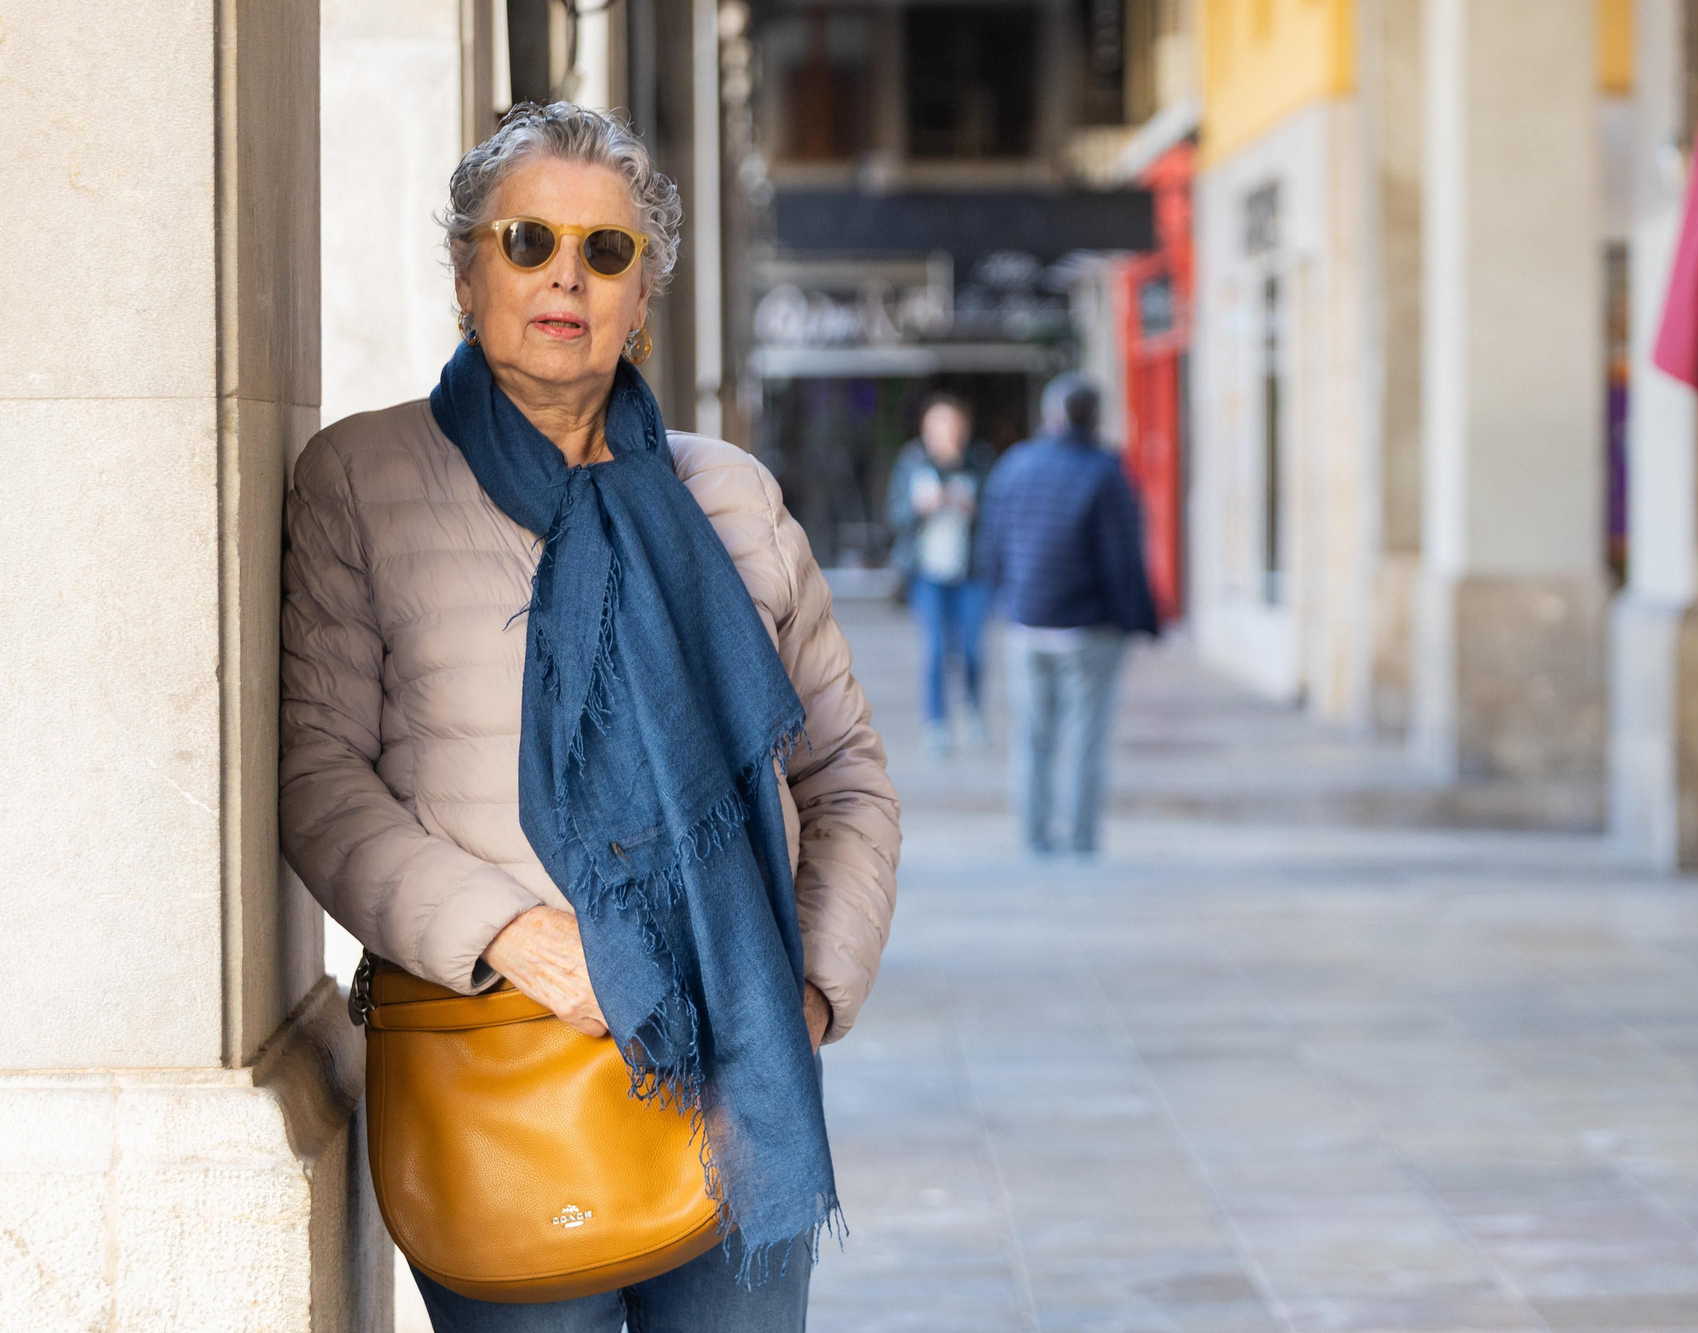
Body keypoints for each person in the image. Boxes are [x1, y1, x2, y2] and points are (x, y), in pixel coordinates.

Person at [279, 102, 899, 1332]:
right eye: (527, 241)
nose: (565, 272)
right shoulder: (363, 478)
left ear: (641, 301)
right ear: (467, 272)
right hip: (499, 1071)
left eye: (605, 251)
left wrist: (812, 992)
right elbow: (316, 775)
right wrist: (509, 932)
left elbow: (846, 776)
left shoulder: (729, 493)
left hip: (740, 1092)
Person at [977, 374, 1158, 858]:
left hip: (1027, 624)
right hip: (1089, 630)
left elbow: (992, 543)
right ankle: (1080, 840)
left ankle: (1035, 838)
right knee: (1085, 738)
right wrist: (1142, 619)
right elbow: (1124, 559)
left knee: (1032, 738)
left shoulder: (1014, 466)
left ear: (1049, 416)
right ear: (1095, 418)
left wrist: (1006, 599)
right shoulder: (1107, 473)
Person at [886, 392, 995, 756]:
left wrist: (973, 508)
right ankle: (936, 724)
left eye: (951, 425)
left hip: (972, 573)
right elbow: (895, 515)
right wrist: (921, 508)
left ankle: (973, 710)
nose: (945, 432)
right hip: (927, 575)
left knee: (971, 649)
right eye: (937, 425)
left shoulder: (979, 462)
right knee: (934, 651)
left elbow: (997, 515)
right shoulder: (912, 462)